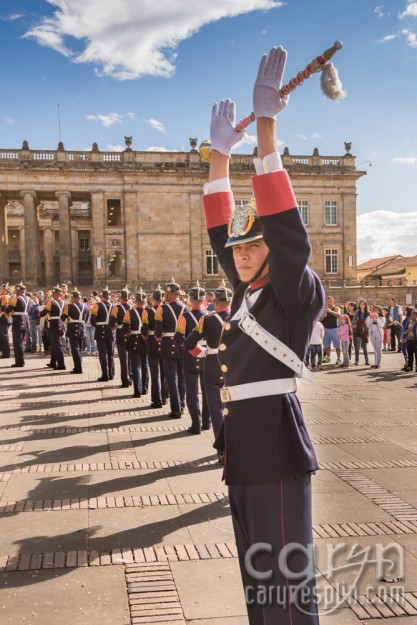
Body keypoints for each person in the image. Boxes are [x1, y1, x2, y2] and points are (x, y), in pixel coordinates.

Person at [203, 46, 323, 624]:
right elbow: (220, 229)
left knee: (287, 582)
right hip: (244, 447)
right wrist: (218, 158)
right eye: (239, 249)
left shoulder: (294, 292)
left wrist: (266, 129)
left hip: (275, 445)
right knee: (257, 580)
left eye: (255, 247)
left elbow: (287, 232)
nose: (243, 255)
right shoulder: (247, 289)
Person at [184, 279, 232, 462]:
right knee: (232, 409)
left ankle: (222, 451)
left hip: (212, 365)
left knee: (216, 409)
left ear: (216, 303)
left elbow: (188, 342)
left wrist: (202, 352)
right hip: (234, 369)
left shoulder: (208, 319)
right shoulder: (238, 319)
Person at [174, 281, 210, 434]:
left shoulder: (184, 317)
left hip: (190, 356)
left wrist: (194, 349)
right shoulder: (210, 316)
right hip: (207, 356)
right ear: (203, 299)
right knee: (207, 390)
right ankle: (207, 422)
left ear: (190, 299)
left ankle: (196, 424)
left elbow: (178, 339)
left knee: (192, 391)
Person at [154, 279, 187, 418]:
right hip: (182, 345)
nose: (165, 295)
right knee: (182, 378)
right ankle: (182, 405)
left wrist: (159, 337)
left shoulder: (162, 308)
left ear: (170, 293)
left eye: (166, 293)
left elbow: (157, 333)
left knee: (171, 378)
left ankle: (175, 409)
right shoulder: (186, 308)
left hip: (167, 344)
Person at [141, 285, 167, 408]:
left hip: (152, 342)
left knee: (154, 373)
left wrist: (145, 335)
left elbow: (144, 330)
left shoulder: (148, 311)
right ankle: (165, 396)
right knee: (165, 372)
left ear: (153, 299)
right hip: (165, 343)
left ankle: (156, 399)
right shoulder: (167, 309)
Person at [122, 289, 148, 398]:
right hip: (146, 340)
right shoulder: (150, 311)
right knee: (145, 365)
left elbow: (125, 329)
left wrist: (128, 333)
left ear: (135, 301)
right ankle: (145, 388)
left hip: (134, 339)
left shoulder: (129, 312)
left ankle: (137, 390)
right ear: (145, 301)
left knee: (135, 366)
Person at [90, 287, 115, 381]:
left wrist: (96, 325)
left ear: (102, 296)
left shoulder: (97, 305)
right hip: (109, 330)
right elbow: (114, 320)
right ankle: (111, 374)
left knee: (102, 353)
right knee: (110, 353)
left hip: (100, 330)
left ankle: (105, 375)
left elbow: (92, 319)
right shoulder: (113, 306)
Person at [62, 289, 88, 373]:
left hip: (73, 328)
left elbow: (63, 317)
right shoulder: (86, 306)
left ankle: (78, 368)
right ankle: (78, 365)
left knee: (75, 349)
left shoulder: (69, 306)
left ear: (73, 298)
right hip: (82, 327)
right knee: (79, 348)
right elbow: (86, 319)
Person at [40, 286, 66, 370]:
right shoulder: (65, 303)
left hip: (54, 324)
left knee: (57, 345)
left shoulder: (51, 302)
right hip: (62, 324)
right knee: (55, 344)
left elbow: (44, 312)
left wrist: (40, 313)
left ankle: (61, 364)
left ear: (55, 294)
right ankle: (53, 362)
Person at [110, 287, 132, 388]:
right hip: (132, 334)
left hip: (121, 333)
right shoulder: (133, 307)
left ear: (120, 297)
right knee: (132, 358)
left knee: (123, 359)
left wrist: (115, 326)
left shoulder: (116, 308)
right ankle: (131, 378)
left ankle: (125, 380)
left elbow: (111, 323)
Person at [5, 283, 31, 367]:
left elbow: (8, 310)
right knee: (22, 341)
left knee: (17, 342)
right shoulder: (29, 299)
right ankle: (21, 360)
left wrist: (8, 305)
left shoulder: (16, 298)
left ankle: (19, 362)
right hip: (26, 320)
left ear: (18, 291)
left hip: (18, 320)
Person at [321, 295, 341, 365]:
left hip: (334, 329)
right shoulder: (323, 309)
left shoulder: (336, 308)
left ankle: (338, 358)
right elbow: (320, 320)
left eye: (330, 301)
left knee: (337, 345)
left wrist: (330, 311)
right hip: (325, 329)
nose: (328, 303)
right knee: (326, 345)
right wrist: (324, 315)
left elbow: (338, 315)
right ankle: (328, 358)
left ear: (333, 301)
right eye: (327, 302)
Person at [352, 299, 370, 366]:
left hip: (365, 331)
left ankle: (367, 360)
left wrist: (366, 322)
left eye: (363, 304)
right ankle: (357, 360)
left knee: (365, 347)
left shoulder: (368, 312)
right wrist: (359, 321)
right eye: (360, 304)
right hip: (358, 330)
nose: (362, 305)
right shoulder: (357, 312)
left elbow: (370, 322)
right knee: (357, 347)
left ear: (365, 305)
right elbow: (353, 321)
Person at [0, 283, 12, 359]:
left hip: (3, 317)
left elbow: (3, 308)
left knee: (4, 335)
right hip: (4, 317)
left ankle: (6, 353)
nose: (0, 290)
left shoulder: (5, 297)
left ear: (5, 290)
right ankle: (4, 351)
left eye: (1, 289)